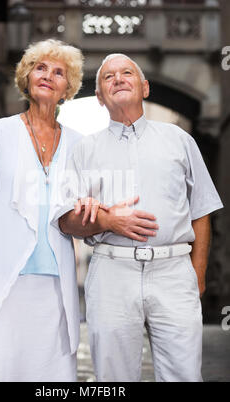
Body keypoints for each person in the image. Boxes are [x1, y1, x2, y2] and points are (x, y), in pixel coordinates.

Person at [59, 54, 223, 382]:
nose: (118, 79)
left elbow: (202, 210)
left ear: (145, 88)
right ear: (100, 97)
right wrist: (106, 221)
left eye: (127, 73)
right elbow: (66, 220)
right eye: (108, 77)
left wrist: (198, 275)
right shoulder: (84, 150)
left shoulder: (180, 140)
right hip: (111, 273)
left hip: (174, 272)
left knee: (184, 375)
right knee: (113, 378)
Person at [0, 39, 87, 382]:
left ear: (67, 88)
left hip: (54, 291)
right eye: (40, 67)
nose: (48, 76)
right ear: (26, 77)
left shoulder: (78, 144)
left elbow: (83, 211)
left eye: (59, 72)